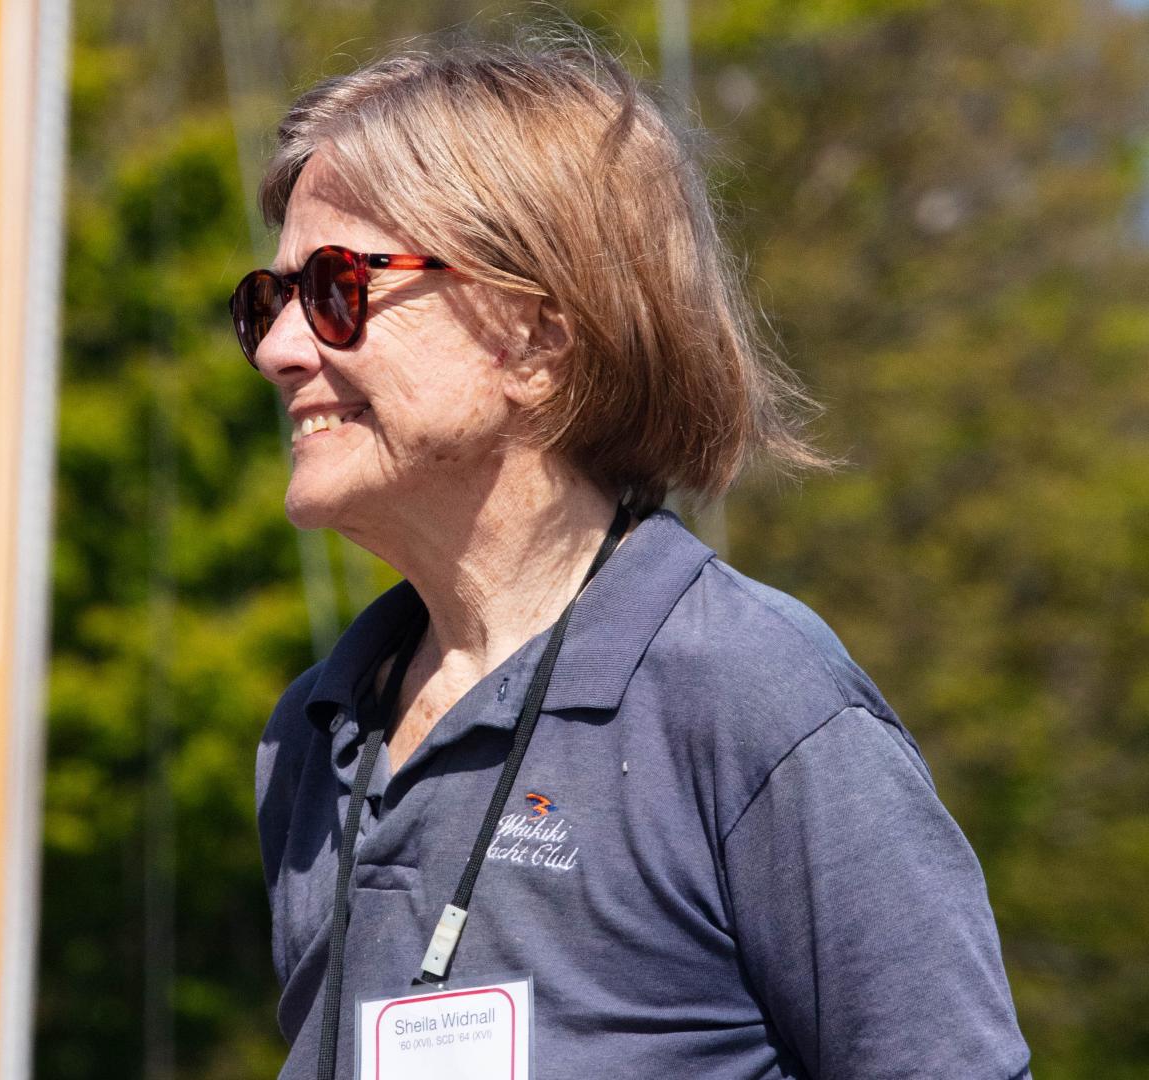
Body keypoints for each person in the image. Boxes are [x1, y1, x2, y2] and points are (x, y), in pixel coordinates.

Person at [239, 30, 1031, 1080]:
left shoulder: (748, 697)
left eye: (336, 288)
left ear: (535, 338)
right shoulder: (314, 736)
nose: (278, 347)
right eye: (269, 298)